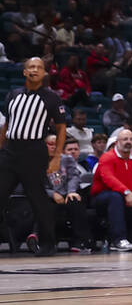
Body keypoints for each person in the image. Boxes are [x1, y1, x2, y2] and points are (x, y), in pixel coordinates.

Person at [0, 57, 68, 256]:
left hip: (33, 151)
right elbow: (7, 126)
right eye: (31, 66)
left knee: (38, 199)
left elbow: (62, 128)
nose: (35, 70)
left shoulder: (52, 98)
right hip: (10, 151)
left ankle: (48, 243)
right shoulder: (12, 95)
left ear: (44, 73)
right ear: (24, 71)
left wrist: (56, 157)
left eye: (39, 67)